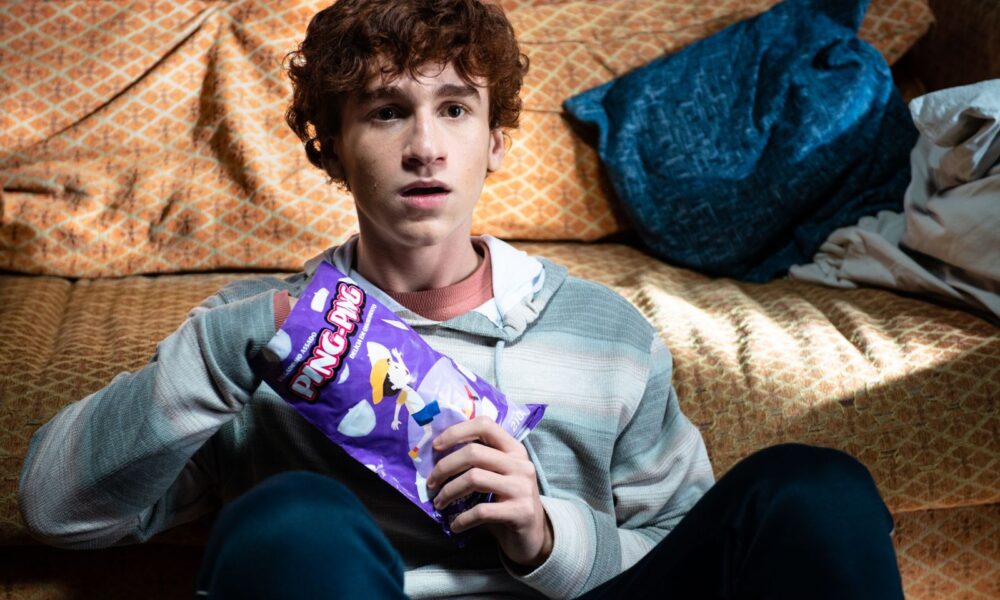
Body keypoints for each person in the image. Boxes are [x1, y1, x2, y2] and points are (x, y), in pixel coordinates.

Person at [18, 0, 904, 598]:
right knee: (293, 517)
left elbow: (682, 542)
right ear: (331, 147)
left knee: (816, 490)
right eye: (385, 112)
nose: (425, 149)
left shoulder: (608, 333)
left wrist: (547, 536)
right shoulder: (257, 337)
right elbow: (55, 512)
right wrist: (226, 345)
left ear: (496, 141)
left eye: (453, 109)